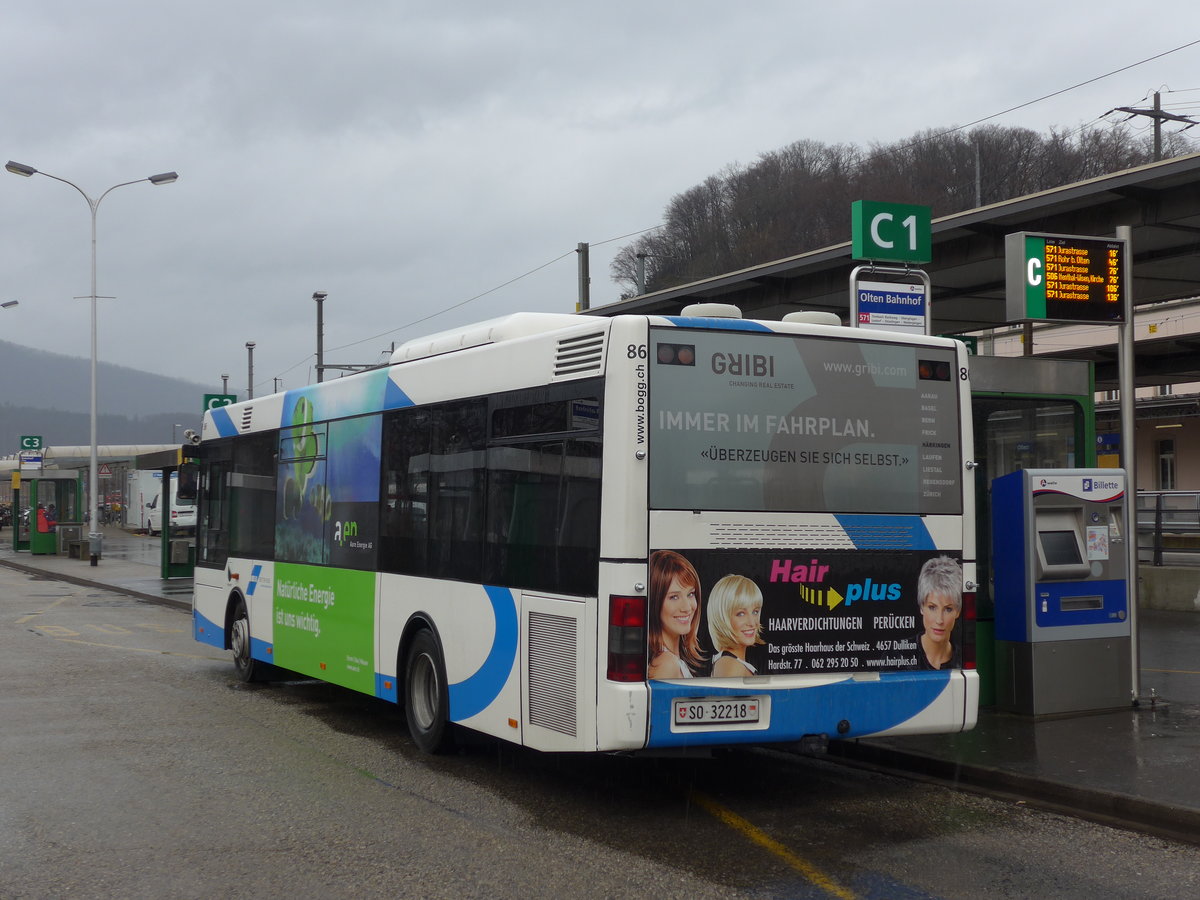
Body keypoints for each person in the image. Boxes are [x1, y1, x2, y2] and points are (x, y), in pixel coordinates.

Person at [647, 550, 703, 680]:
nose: (687, 607)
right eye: (674, 597)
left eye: (690, 594)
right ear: (654, 602)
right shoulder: (666, 664)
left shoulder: (672, 660)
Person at [707, 574, 764, 677]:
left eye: (755, 612)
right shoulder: (730, 664)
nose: (752, 622)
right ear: (722, 617)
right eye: (741, 614)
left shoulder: (732, 662)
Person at [915, 556, 962, 670]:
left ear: (958, 611)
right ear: (922, 607)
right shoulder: (896, 656)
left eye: (948, 609)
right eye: (932, 607)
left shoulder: (963, 660)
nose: (939, 620)